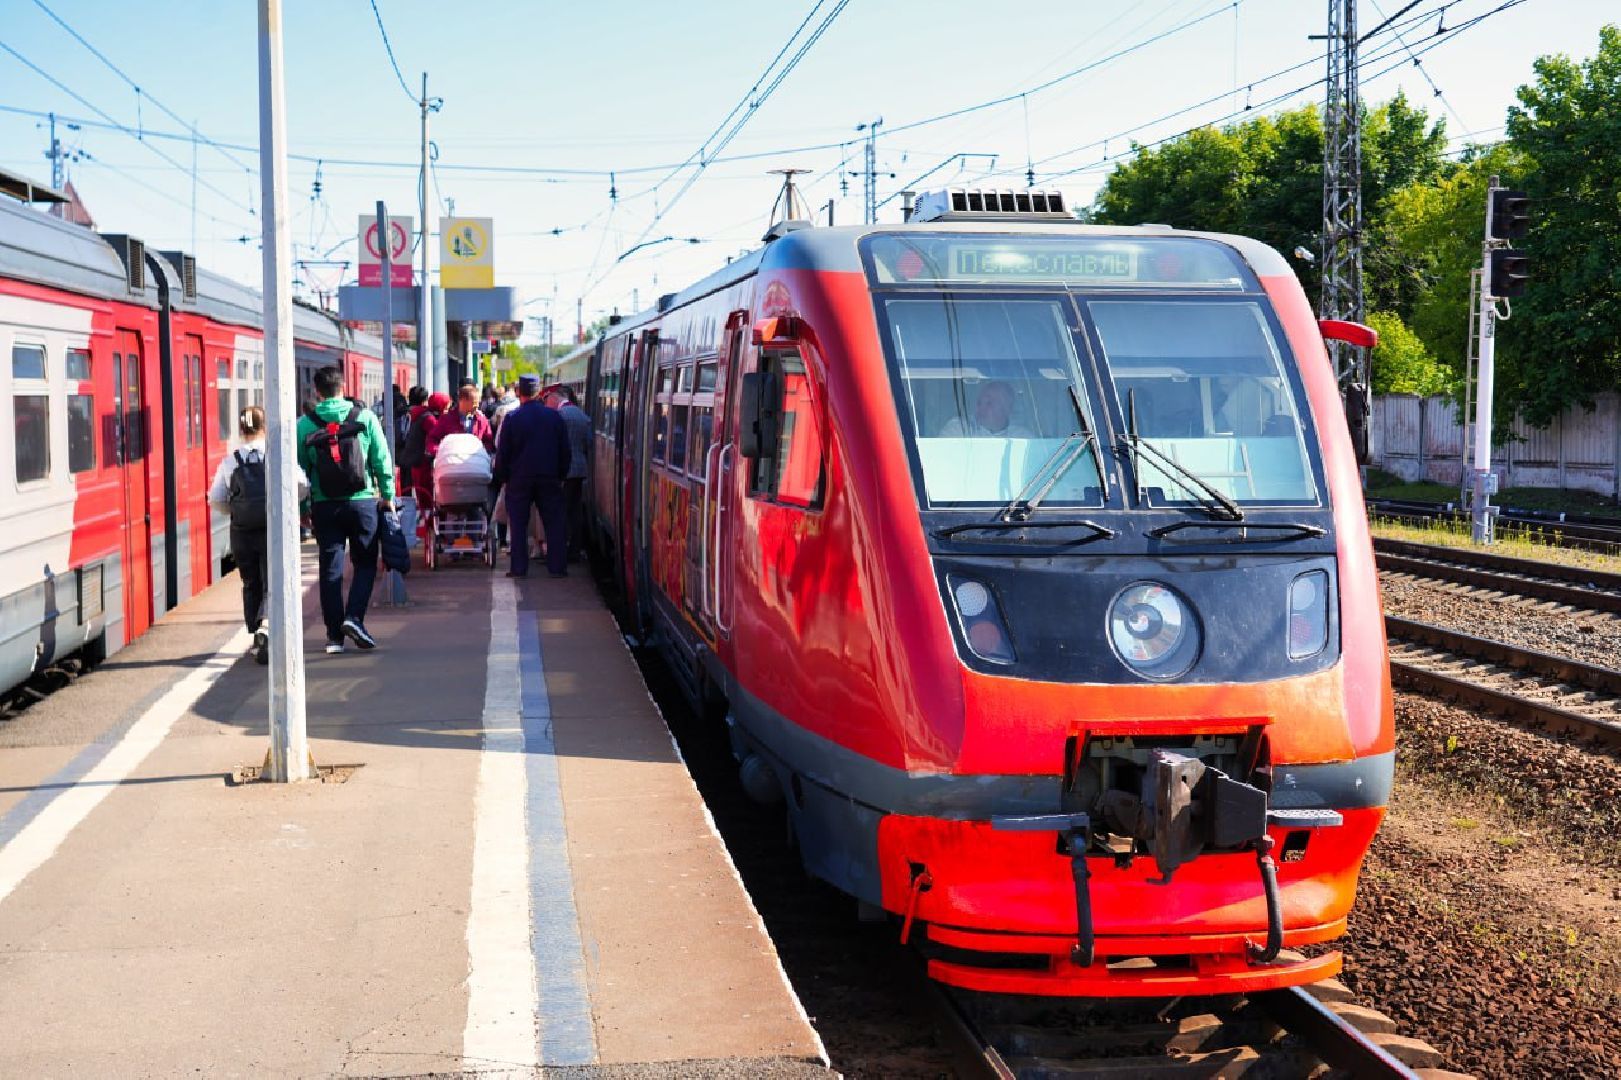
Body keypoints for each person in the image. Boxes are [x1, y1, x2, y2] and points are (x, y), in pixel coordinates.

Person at [296, 365, 396, 654]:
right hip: (363, 502)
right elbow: (381, 458)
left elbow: (299, 470)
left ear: (317, 391)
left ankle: (334, 637)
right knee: (365, 563)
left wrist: (304, 507)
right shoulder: (364, 417)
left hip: (325, 506)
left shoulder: (306, 424)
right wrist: (387, 494)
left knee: (331, 569)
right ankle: (354, 617)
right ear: (343, 387)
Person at [207, 405, 306, 664]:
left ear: (242, 429)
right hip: (272, 529)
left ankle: (254, 634)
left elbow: (215, 498)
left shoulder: (231, 461)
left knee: (250, 583)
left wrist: (236, 511)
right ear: (265, 427)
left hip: (242, 532)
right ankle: (265, 626)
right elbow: (302, 485)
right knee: (272, 581)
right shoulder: (277, 456)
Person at [493, 373, 571, 578]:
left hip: (519, 479)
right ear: (539, 392)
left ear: (519, 392)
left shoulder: (512, 418)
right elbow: (565, 450)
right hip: (549, 477)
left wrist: (503, 477)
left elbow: (503, 452)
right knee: (554, 522)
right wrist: (561, 475)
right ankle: (557, 567)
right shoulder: (554, 417)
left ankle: (519, 568)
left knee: (518, 524)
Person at [546, 386, 592, 561]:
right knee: (575, 511)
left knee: (561, 511)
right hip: (580, 469)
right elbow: (589, 442)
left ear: (555, 400)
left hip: (564, 470)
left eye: (549, 402)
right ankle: (575, 549)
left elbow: (553, 444)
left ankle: (560, 549)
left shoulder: (559, 416)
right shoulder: (581, 415)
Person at [937, 380, 1036, 437]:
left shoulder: (1023, 437)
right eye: (979, 402)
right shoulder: (958, 429)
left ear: (1007, 408)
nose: (980, 407)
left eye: (989, 403)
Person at [428, 384, 496, 455]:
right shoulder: (446, 419)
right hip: (452, 463)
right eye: (474, 403)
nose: (477, 406)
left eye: (478, 403)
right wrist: (441, 453)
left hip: (475, 462)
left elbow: (488, 442)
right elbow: (432, 439)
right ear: (462, 401)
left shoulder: (481, 420)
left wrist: (482, 453)